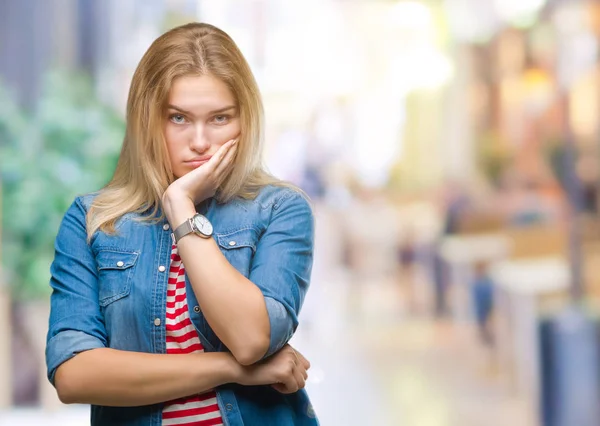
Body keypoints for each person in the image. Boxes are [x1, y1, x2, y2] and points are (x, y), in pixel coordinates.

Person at [45, 22, 318, 426]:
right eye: (179, 118)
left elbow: (249, 340)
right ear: (148, 120)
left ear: (245, 121)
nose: (200, 141)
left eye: (220, 118)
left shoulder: (280, 209)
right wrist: (230, 370)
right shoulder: (94, 221)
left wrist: (182, 208)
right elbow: (73, 375)